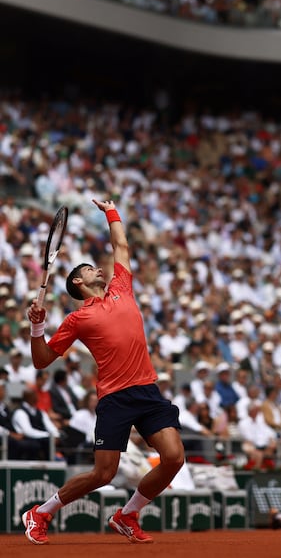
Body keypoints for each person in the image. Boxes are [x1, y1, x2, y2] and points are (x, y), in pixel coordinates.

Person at [22, 199, 184, 545]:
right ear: (78, 281)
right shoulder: (77, 319)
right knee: (103, 473)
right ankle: (41, 512)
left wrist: (112, 212)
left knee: (173, 458)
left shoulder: (121, 287)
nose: (99, 269)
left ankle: (127, 514)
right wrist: (37, 328)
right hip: (115, 398)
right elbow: (42, 359)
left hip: (148, 391)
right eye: (90, 269)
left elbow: (121, 245)